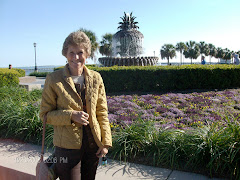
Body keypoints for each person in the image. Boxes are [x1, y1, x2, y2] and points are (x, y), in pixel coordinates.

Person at [40, 30, 112, 180]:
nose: (76, 57)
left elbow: (102, 112)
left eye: (80, 52)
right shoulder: (54, 79)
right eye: (71, 52)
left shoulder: (96, 78)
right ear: (65, 53)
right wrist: (71, 116)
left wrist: (105, 143)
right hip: (66, 148)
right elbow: (45, 115)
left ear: (87, 54)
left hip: (93, 146)